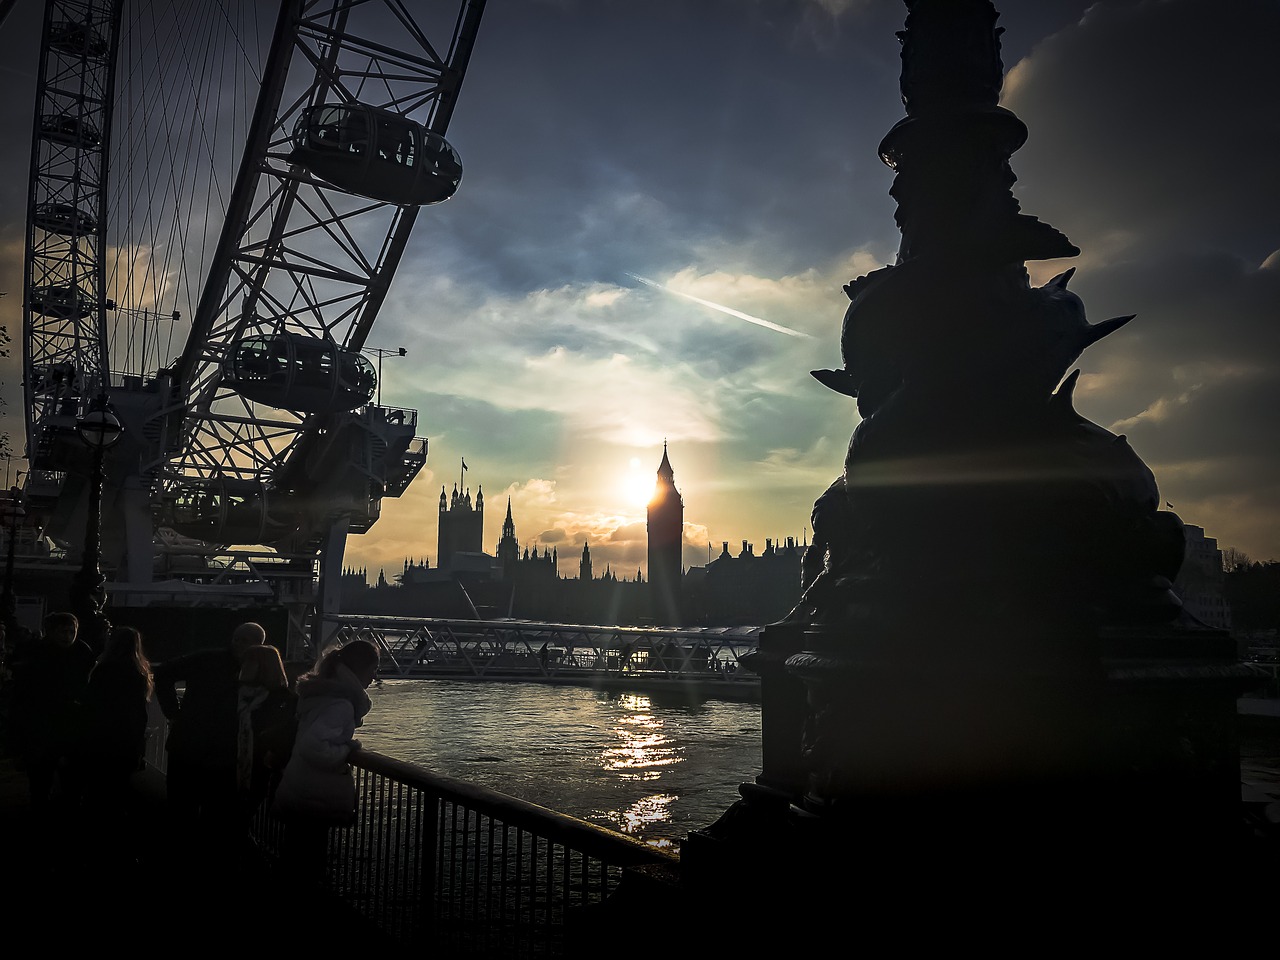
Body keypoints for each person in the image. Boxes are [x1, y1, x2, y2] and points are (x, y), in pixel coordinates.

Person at [153, 621, 266, 860]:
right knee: (214, 814)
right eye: (238, 639)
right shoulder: (257, 671)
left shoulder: (206, 659)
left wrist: (174, 712)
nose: (238, 644)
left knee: (182, 810)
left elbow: (163, 673)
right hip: (221, 754)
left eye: (244, 640)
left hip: (187, 746)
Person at [273, 640, 379, 882]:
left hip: (299, 785)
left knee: (293, 854)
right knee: (310, 860)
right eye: (373, 669)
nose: (374, 677)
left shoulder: (320, 694)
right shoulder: (340, 705)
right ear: (359, 669)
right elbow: (315, 747)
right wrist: (347, 749)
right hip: (314, 794)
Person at [76, 625, 152, 871]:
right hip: (125, 744)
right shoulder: (139, 672)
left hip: (101, 741)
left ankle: (94, 848)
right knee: (117, 795)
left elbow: (91, 704)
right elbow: (139, 715)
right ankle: (122, 850)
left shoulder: (105, 670)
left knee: (98, 795)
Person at [7, 612, 95, 814]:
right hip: (61, 728)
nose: (68, 636)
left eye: (71, 631)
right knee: (57, 784)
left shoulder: (37, 652)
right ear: (51, 632)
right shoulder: (81, 651)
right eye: (64, 631)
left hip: (46, 729)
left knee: (46, 784)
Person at [236, 643, 297, 819]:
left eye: (249, 662)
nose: (243, 665)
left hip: (254, 766)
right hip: (258, 766)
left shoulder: (238, 695)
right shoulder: (287, 699)